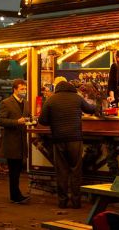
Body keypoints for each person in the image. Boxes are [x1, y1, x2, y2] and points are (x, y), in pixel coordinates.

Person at [38, 79, 96, 209]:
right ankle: (76, 202)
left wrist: (54, 122)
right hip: (75, 139)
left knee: (62, 171)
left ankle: (62, 201)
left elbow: (42, 120)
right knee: (76, 170)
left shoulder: (51, 100)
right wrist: (97, 103)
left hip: (58, 139)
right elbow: (90, 109)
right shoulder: (77, 98)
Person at [0, 79, 31, 204]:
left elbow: (27, 117)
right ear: (15, 89)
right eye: (22, 89)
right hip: (11, 142)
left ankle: (16, 194)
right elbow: (1, 120)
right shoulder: (6, 103)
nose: (24, 91)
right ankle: (15, 195)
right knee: (13, 171)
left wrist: (30, 121)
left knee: (17, 170)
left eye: (25, 89)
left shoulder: (26, 103)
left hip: (22, 141)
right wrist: (16, 122)